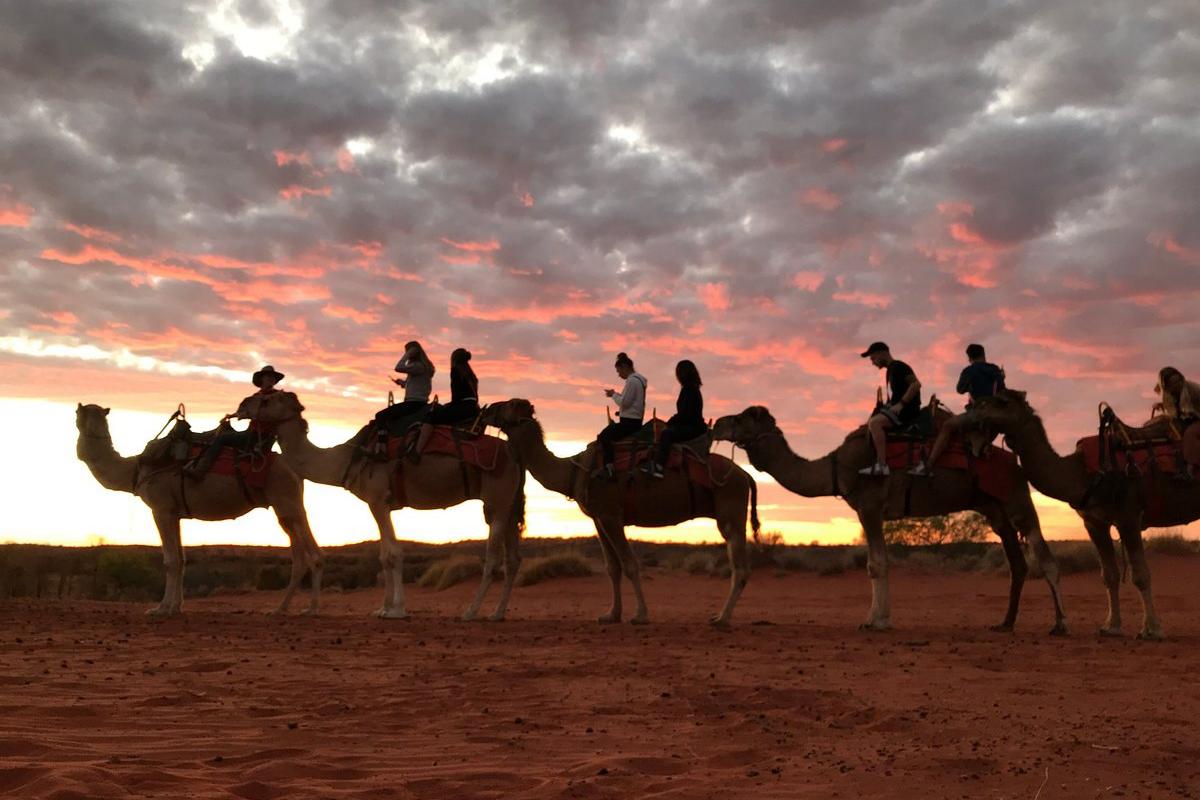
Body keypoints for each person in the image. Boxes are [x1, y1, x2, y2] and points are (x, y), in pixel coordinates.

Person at [910, 343, 1005, 476]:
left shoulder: (969, 370)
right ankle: (980, 446)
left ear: (969, 358)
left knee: (947, 426)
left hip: (977, 413)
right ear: (984, 354)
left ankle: (928, 465)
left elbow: (960, 389)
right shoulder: (996, 370)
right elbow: (1003, 391)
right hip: (995, 414)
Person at [184, 365, 284, 479]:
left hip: (258, 438)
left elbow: (257, 413)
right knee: (225, 431)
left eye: (272, 377)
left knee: (221, 439)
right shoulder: (256, 398)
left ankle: (200, 470)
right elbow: (245, 412)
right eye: (268, 377)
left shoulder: (277, 398)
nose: (270, 379)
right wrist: (231, 416)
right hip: (253, 434)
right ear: (262, 379)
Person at [858, 342, 921, 477]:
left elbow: (916, 384)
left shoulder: (899, 366)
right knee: (869, 423)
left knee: (875, 423)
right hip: (899, 409)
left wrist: (901, 404)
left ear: (882, 353)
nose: (872, 362)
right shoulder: (890, 371)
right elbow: (894, 398)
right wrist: (887, 406)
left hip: (907, 411)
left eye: (873, 358)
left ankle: (882, 465)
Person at [409, 348, 480, 464]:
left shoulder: (456, 371)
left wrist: (447, 406)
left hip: (462, 407)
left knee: (433, 415)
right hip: (473, 407)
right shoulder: (471, 375)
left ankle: (417, 451)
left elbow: (456, 396)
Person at [643, 360, 706, 479]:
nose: (677, 375)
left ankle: (659, 466)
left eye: (679, 372)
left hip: (693, 427)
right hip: (691, 424)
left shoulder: (689, 389)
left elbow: (685, 414)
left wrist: (670, 423)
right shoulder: (691, 389)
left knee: (667, 434)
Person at [369, 341, 434, 453]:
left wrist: (407, 354)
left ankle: (381, 449)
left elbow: (398, 367)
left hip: (413, 403)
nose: (407, 353)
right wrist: (403, 383)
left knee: (380, 416)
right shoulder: (421, 368)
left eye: (408, 351)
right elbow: (416, 384)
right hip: (417, 402)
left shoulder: (418, 366)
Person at [594, 352, 647, 479]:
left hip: (629, 423)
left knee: (604, 436)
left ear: (624, 367)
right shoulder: (639, 381)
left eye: (618, 371)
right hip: (635, 421)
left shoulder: (632, 382)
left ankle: (609, 468)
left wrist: (613, 395)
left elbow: (625, 403)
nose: (619, 375)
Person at [1155, 366, 1200, 480]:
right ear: (1167, 386)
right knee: (1161, 426)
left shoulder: (1193, 389)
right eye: (1173, 383)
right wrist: (1162, 406)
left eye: (1179, 381)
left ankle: (1190, 468)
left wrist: (1194, 414)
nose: (1178, 384)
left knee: (1190, 434)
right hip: (1184, 420)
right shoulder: (1168, 395)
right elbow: (1175, 409)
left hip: (1196, 419)